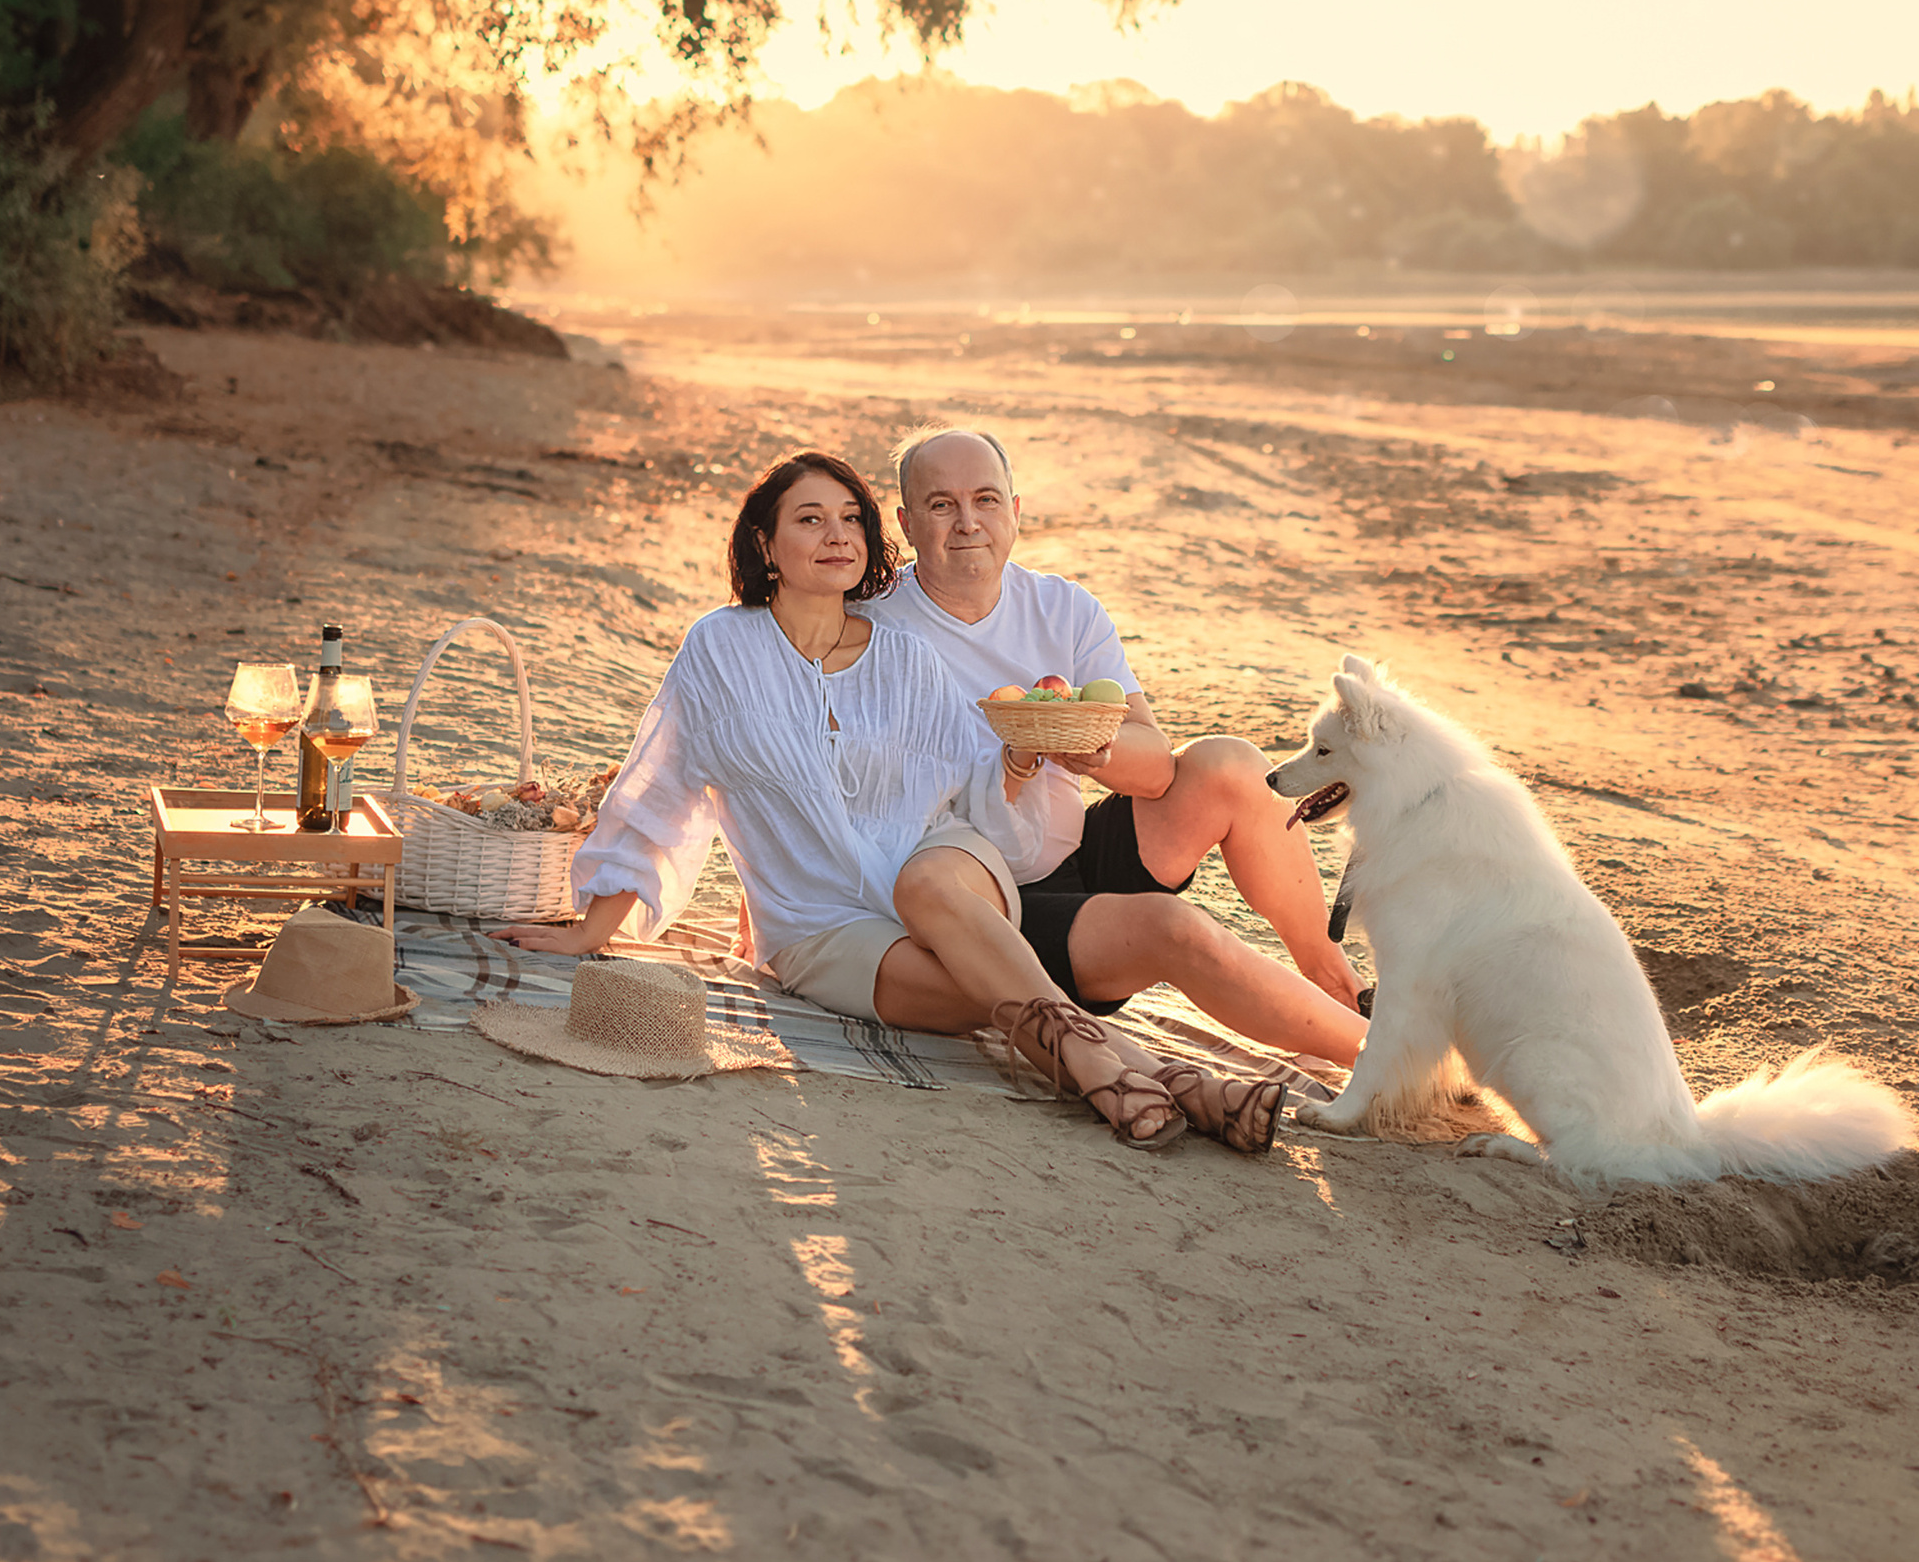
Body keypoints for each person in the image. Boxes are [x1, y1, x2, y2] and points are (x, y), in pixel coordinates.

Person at [491, 452, 1282, 1154]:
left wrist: (1016, 754)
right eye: (810, 519)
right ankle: (1173, 1080)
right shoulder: (720, 650)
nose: (837, 535)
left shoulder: (905, 656)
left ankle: (1107, 1087)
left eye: (851, 520)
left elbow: (975, 793)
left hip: (945, 863)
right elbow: (659, 784)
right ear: (764, 545)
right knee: (982, 996)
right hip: (818, 921)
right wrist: (598, 923)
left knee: (926, 882)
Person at [869, 425, 1369, 1067]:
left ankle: (1330, 975)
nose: (968, 521)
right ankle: (1379, 1058)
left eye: (987, 499)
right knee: (1173, 928)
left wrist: (1091, 747)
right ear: (908, 523)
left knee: (1231, 765)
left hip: (1072, 855)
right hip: (984, 906)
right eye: (942, 505)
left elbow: (1157, 768)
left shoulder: (1063, 608)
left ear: (1015, 512)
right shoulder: (873, 622)